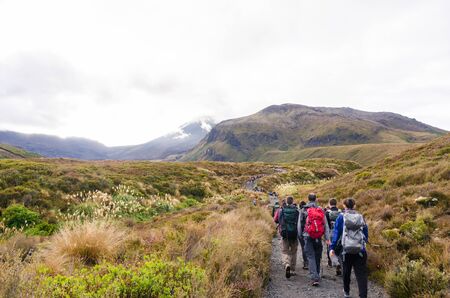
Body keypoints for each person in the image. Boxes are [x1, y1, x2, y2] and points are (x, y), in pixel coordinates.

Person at [330, 198, 369, 298]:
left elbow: (336, 233)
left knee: (346, 272)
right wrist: (364, 243)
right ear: (354, 205)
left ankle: (346, 293)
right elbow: (365, 232)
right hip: (360, 250)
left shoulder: (341, 217)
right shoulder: (360, 217)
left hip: (345, 250)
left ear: (344, 206)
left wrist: (332, 247)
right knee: (361, 275)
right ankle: (363, 295)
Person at [298, 193, 330, 286]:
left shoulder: (304, 209)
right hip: (318, 236)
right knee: (317, 256)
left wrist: (300, 236)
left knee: (310, 256)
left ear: (308, 199)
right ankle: (317, 274)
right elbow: (326, 225)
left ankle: (314, 278)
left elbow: (299, 225)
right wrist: (327, 238)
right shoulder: (320, 209)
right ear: (316, 199)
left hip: (307, 236)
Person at [277, 196, 299, 279]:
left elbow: (279, 220)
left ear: (286, 202)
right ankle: (292, 269)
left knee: (285, 250)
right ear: (292, 201)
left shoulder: (281, 210)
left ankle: (287, 264)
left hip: (285, 233)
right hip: (294, 233)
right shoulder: (297, 211)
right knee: (294, 251)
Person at [325, 198, 342, 275]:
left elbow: (326, 225)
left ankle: (331, 262)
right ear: (336, 203)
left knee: (330, 248)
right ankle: (339, 263)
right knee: (339, 248)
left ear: (329, 204)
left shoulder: (327, 213)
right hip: (340, 233)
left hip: (331, 232)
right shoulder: (340, 213)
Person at [297, 201, 308, 270]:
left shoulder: (301, 212)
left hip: (303, 233)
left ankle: (306, 263)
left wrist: (299, 234)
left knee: (304, 248)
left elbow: (300, 224)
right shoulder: (309, 210)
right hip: (311, 232)